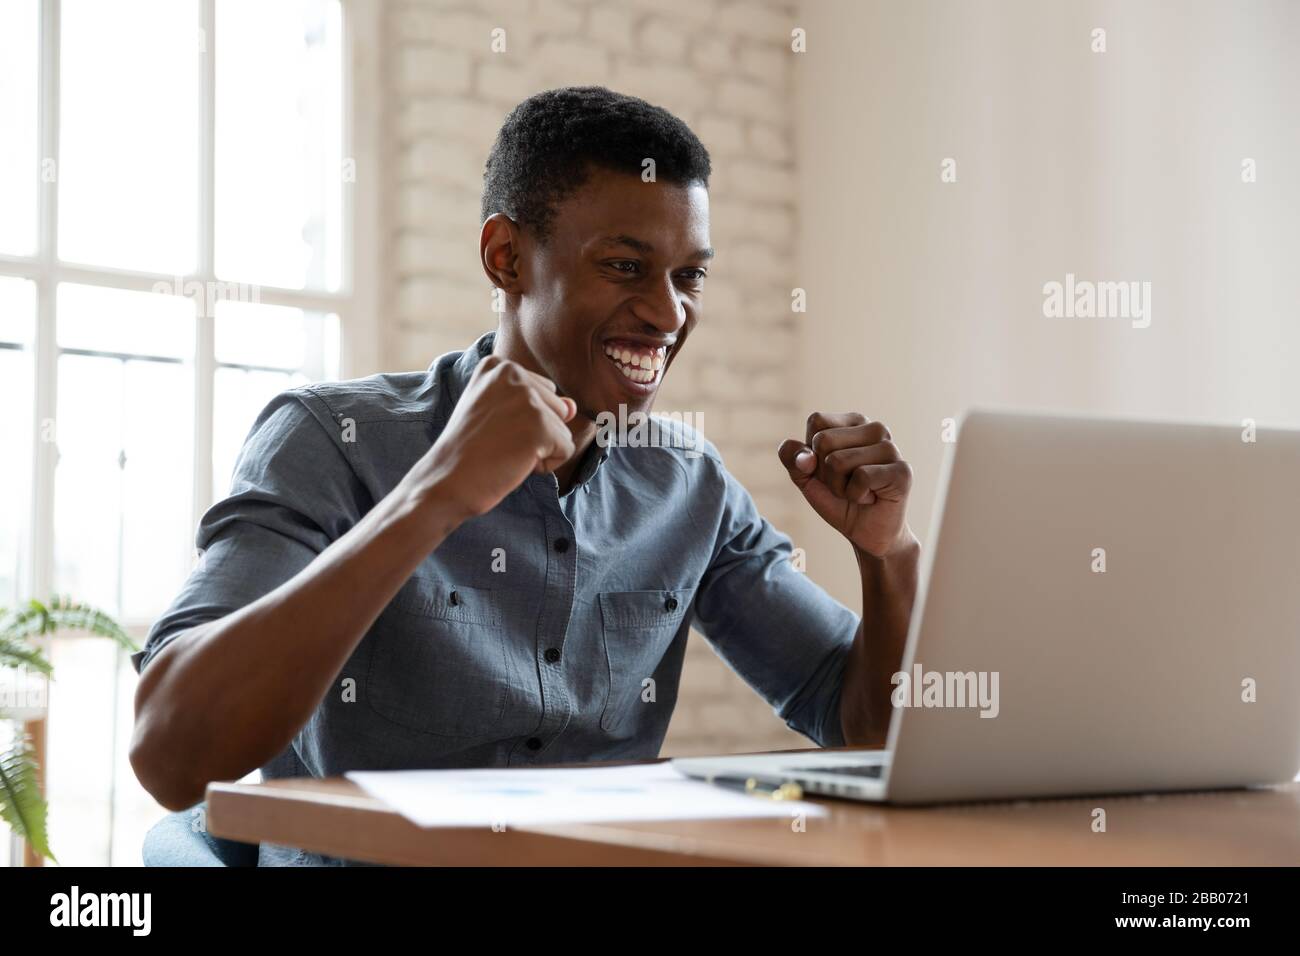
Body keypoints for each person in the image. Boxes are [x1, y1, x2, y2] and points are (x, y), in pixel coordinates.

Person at [129, 86, 920, 865]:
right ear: (507, 257)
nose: (670, 313)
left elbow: (867, 732)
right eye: (625, 266)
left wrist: (887, 557)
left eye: (690, 277)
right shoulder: (333, 439)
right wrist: (432, 496)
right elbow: (171, 755)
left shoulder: (689, 484)